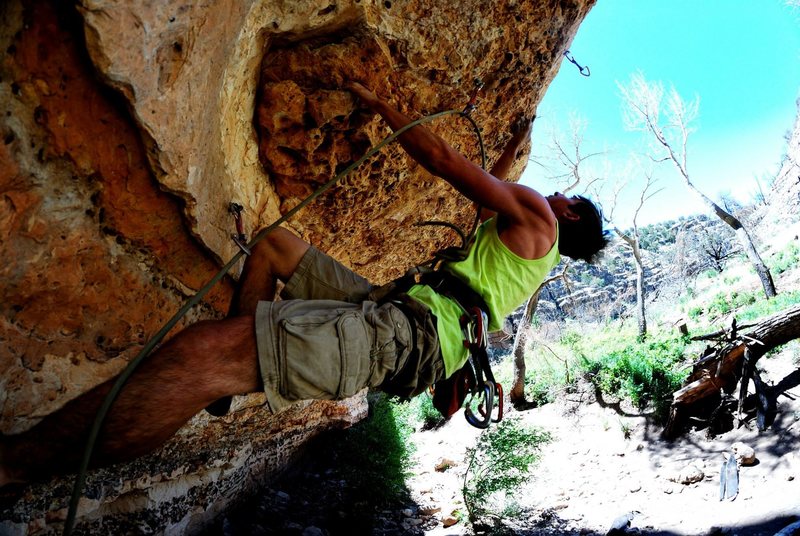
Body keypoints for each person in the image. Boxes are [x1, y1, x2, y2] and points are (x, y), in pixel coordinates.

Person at [0, 82, 607, 487]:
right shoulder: (535, 251)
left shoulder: (541, 215)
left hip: (408, 332)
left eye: (563, 195)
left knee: (196, 356)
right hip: (406, 317)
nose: (550, 191)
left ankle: (17, 466)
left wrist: (384, 105)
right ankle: (232, 362)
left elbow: (447, 163)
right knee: (272, 242)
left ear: (570, 214)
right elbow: (484, 210)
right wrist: (505, 156)